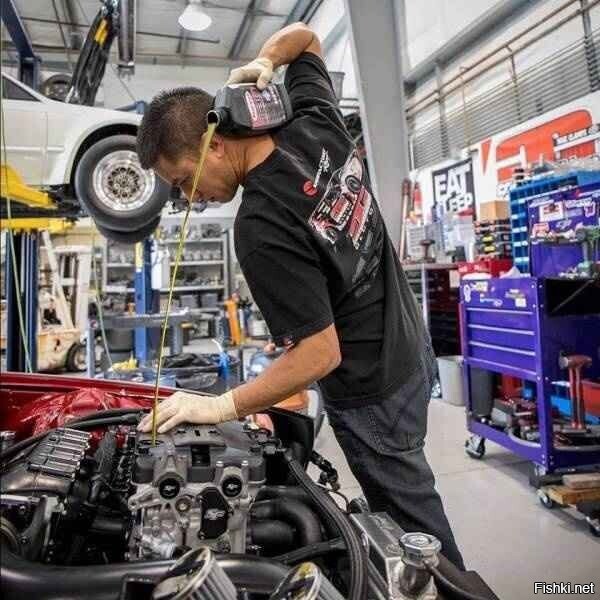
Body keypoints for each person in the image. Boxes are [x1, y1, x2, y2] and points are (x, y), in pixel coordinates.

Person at [136, 22, 464, 569]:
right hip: (410, 348)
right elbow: (306, 39)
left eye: (182, 180)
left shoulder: (259, 227)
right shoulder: (309, 120)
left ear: (215, 143)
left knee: (420, 542)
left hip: (371, 391)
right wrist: (266, 61)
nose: (188, 198)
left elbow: (320, 355)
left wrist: (221, 404)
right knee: (402, 510)